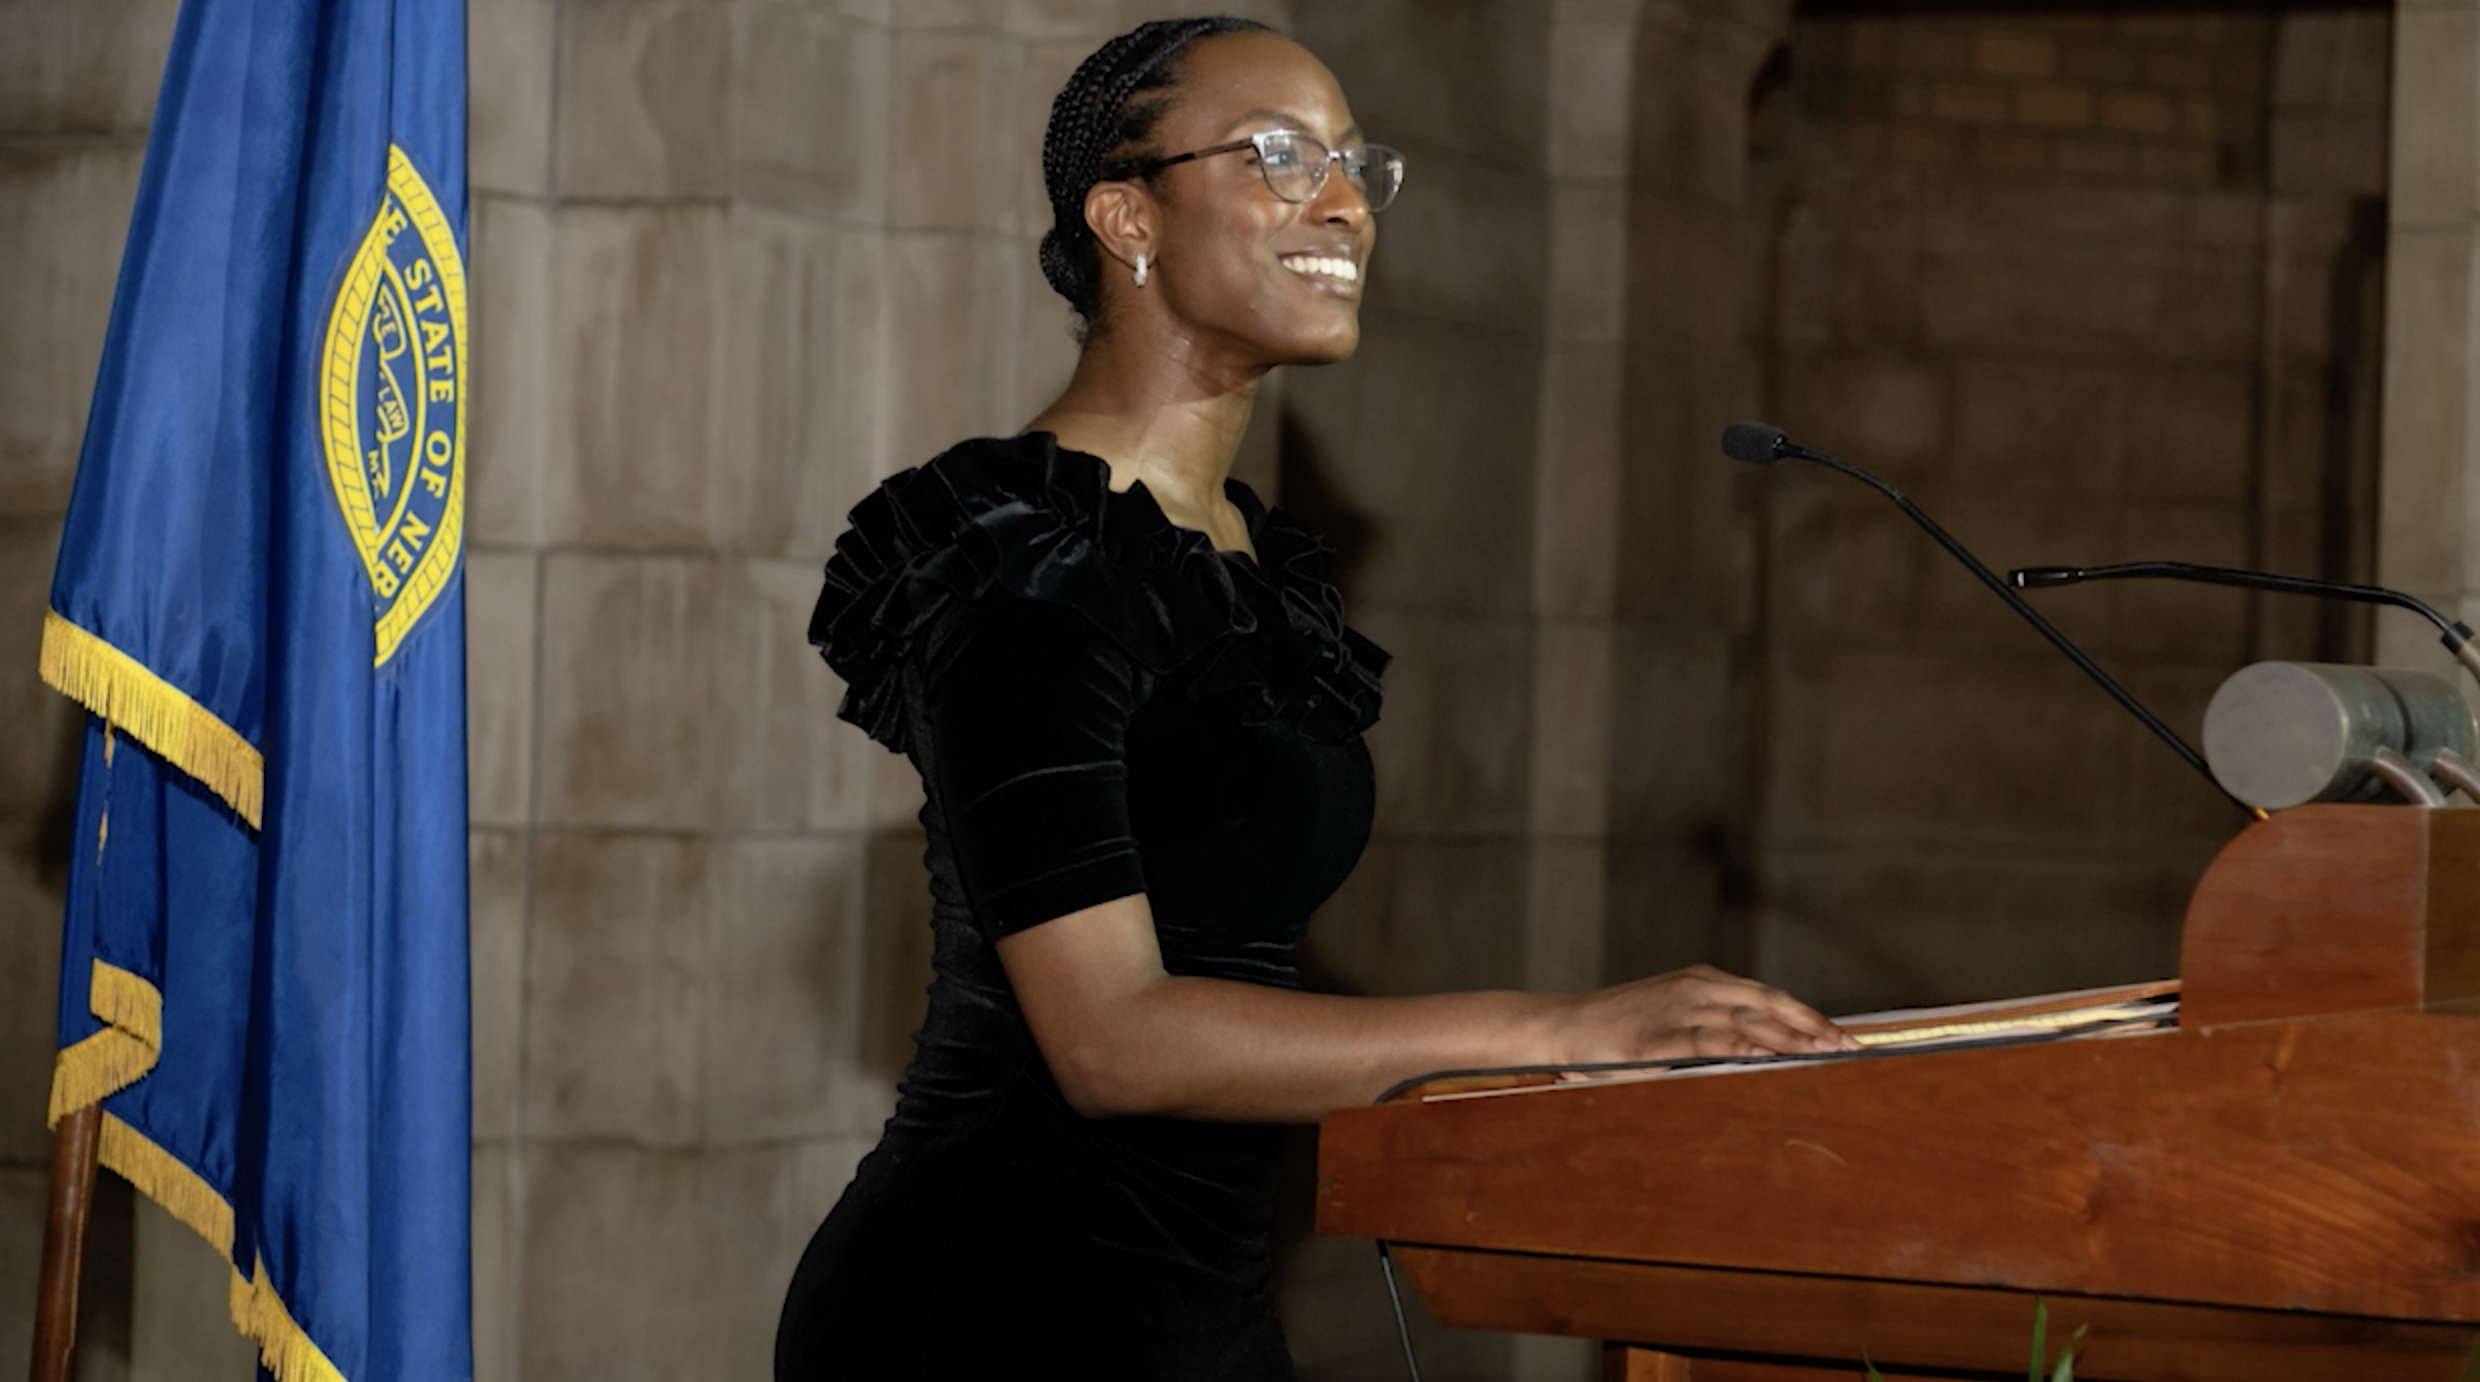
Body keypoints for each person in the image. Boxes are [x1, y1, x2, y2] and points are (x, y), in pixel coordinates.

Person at [774, 17, 1854, 1380]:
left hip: (1203, 1303)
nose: (1343, 201)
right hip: (993, 1308)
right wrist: (1561, 1029)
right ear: (1128, 217)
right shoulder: (1018, 556)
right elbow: (1109, 1037)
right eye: (1280, 157)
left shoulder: (1240, 559)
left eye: (1353, 163)